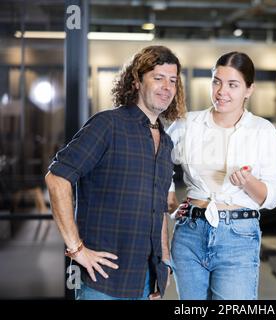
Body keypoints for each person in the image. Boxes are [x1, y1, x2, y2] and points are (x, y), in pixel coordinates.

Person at [45, 45, 186, 300]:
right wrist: (76, 249)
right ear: (136, 81)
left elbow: (160, 208)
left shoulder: (166, 143)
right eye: (158, 78)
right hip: (104, 282)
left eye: (173, 80)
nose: (167, 87)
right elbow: (57, 178)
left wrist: (164, 261)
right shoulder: (107, 125)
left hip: (146, 281)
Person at [166, 51, 276, 300]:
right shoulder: (188, 124)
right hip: (190, 232)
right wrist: (168, 192)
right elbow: (158, 159)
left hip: (238, 236)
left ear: (249, 90)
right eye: (217, 81)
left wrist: (249, 182)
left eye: (233, 85)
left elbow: (272, 197)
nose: (222, 91)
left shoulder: (262, 131)